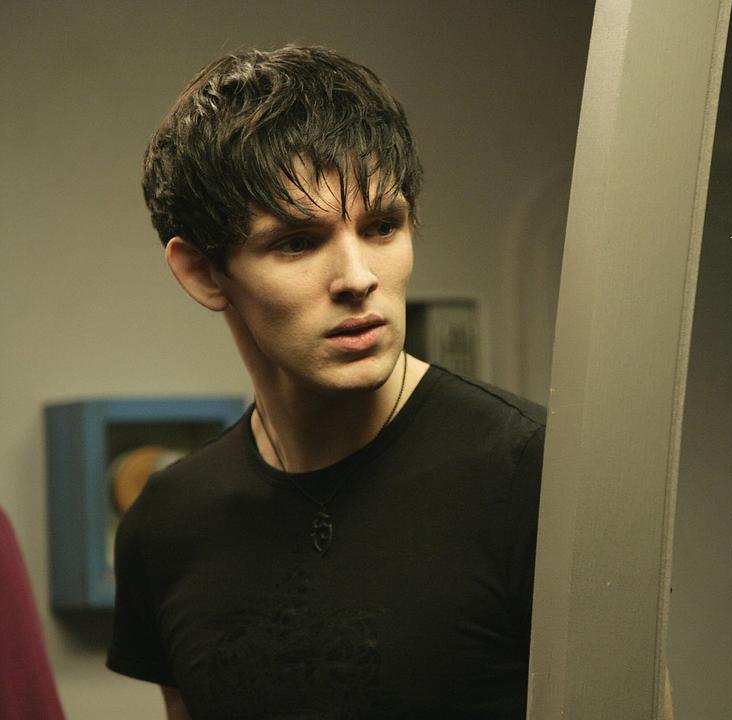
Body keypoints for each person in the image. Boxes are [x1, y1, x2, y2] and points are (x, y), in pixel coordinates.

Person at [107, 45, 545, 720]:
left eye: (382, 227)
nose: (358, 278)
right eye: (297, 242)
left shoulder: (531, 473)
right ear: (202, 273)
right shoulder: (168, 524)